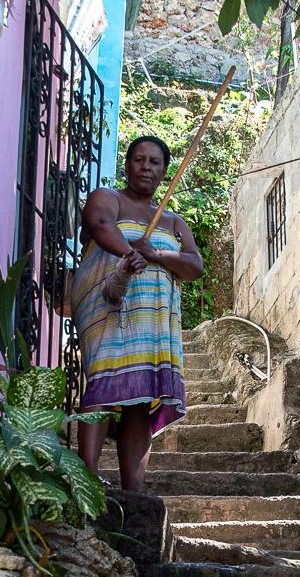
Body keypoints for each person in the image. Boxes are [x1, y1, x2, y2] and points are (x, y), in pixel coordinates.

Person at [71, 135, 205, 491]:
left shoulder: (174, 221)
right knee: (104, 380)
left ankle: (133, 490)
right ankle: (86, 477)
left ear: (164, 171)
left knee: (141, 397)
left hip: (154, 320)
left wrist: (157, 255)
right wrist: (130, 253)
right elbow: (100, 226)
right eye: (139, 159)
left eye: (155, 162)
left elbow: (194, 266)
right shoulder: (109, 198)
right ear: (127, 165)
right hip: (110, 304)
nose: (146, 167)